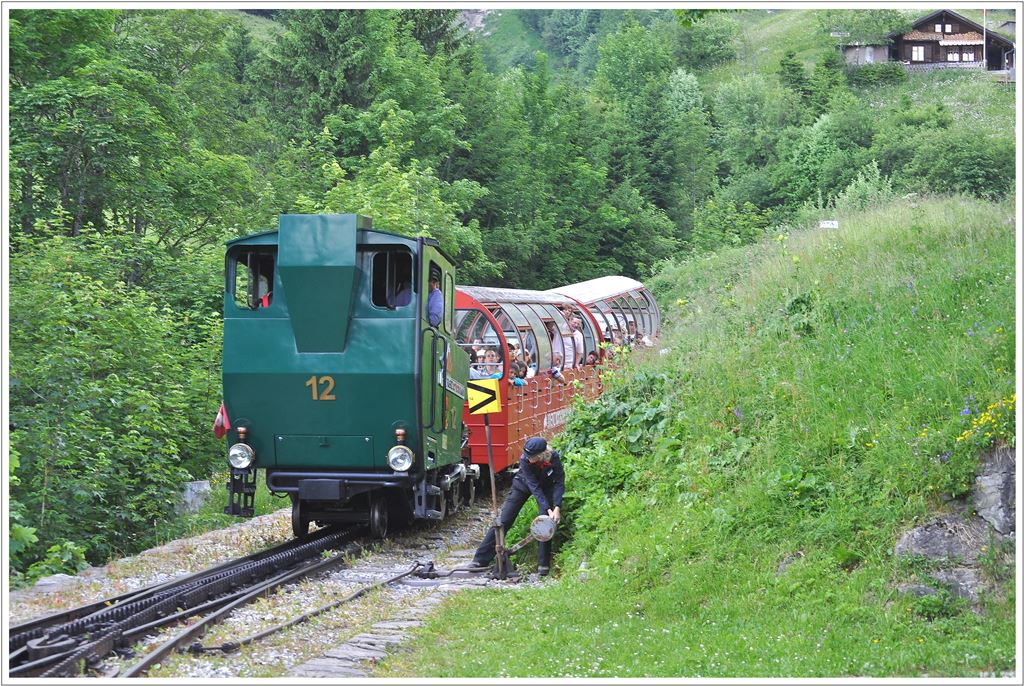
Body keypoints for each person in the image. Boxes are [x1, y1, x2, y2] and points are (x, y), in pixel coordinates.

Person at [471, 436, 564, 576]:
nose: (527, 458)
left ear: (541, 455)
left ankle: (543, 566)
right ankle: (480, 559)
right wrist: (548, 509)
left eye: (531, 456)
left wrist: (556, 507)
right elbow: (534, 487)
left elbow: (559, 482)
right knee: (504, 519)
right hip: (523, 485)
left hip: (547, 487)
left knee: (546, 522)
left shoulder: (554, 457)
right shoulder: (524, 460)